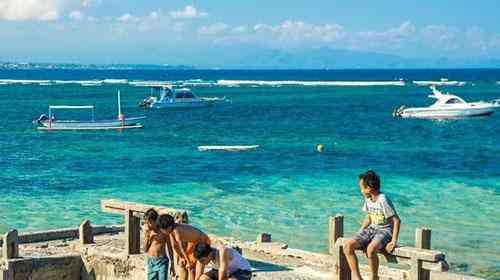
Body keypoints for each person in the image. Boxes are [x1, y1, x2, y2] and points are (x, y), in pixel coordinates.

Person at [343, 170, 401, 280]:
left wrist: (393, 241)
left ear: (369, 188)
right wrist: (361, 230)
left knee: (370, 250)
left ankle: (374, 277)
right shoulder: (368, 198)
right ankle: (356, 277)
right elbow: (369, 217)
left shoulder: (383, 199)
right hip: (372, 229)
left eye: (361, 188)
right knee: (347, 246)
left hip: (385, 231)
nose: (360, 190)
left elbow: (397, 220)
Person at [158, 213, 210, 280]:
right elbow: (174, 246)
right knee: (182, 263)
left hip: (203, 241)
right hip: (194, 242)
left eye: (162, 229)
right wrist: (181, 257)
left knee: (191, 267)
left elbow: (181, 247)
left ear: (168, 227)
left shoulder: (176, 230)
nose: (162, 231)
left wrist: (188, 261)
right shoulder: (171, 231)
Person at [144, 209, 172, 280]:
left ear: (156, 220)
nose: (148, 225)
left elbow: (169, 247)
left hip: (162, 261)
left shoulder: (163, 230)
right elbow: (145, 249)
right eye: (146, 223)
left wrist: (173, 263)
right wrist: (148, 237)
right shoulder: (148, 232)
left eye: (150, 222)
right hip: (151, 261)